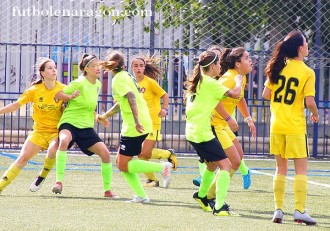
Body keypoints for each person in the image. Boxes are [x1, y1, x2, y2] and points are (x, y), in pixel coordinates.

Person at [98, 50, 172, 203]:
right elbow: (122, 102)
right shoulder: (127, 76)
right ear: (125, 65)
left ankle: (163, 167)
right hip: (139, 123)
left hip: (134, 126)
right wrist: (105, 116)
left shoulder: (118, 79)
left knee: (124, 165)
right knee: (121, 163)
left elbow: (130, 97)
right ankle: (141, 196)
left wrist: (136, 121)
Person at [263, 30, 318, 225]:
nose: (308, 46)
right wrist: (316, 113)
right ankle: (299, 210)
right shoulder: (307, 72)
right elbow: (309, 101)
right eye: (306, 43)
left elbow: (266, 94)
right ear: (300, 48)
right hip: (295, 126)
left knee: (281, 169)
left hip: (276, 125)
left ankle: (278, 210)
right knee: (301, 170)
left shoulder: (277, 67)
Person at [0, 58, 78, 194]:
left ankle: (42, 176)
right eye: (50, 68)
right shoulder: (34, 90)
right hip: (39, 132)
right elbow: (16, 105)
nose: (54, 70)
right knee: (22, 158)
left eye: (54, 67)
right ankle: (1, 185)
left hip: (55, 131)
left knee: (53, 149)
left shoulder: (63, 89)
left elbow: (75, 106)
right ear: (42, 73)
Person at [51, 54, 118, 198]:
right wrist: (69, 97)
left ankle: (107, 191)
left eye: (98, 65)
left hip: (86, 126)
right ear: (86, 69)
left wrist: (98, 117)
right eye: (94, 66)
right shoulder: (79, 82)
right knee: (63, 141)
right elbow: (57, 94)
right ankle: (58, 182)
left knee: (105, 154)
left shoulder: (98, 85)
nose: (97, 68)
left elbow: (89, 107)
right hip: (69, 121)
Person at [185, 50, 243, 216]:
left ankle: (202, 196)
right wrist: (238, 81)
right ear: (211, 67)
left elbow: (208, 102)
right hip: (202, 133)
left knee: (211, 164)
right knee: (226, 165)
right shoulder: (211, 83)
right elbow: (235, 94)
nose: (220, 67)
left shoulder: (200, 80)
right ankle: (219, 206)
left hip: (193, 131)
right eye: (218, 64)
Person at [205, 47, 257, 202]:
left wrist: (248, 119)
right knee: (227, 162)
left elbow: (239, 98)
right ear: (238, 63)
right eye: (247, 58)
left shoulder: (241, 77)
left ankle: (208, 194)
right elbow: (214, 101)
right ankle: (209, 196)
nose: (251, 61)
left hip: (223, 124)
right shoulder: (228, 78)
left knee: (237, 158)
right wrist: (229, 118)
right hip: (215, 123)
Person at [130, 55, 178, 187]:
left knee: (144, 153)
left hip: (153, 122)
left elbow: (165, 95)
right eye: (136, 66)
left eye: (141, 66)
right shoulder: (131, 83)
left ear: (144, 67)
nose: (139, 68)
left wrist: (165, 109)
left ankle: (168, 154)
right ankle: (152, 180)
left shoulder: (150, 82)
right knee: (141, 154)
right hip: (140, 123)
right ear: (131, 68)